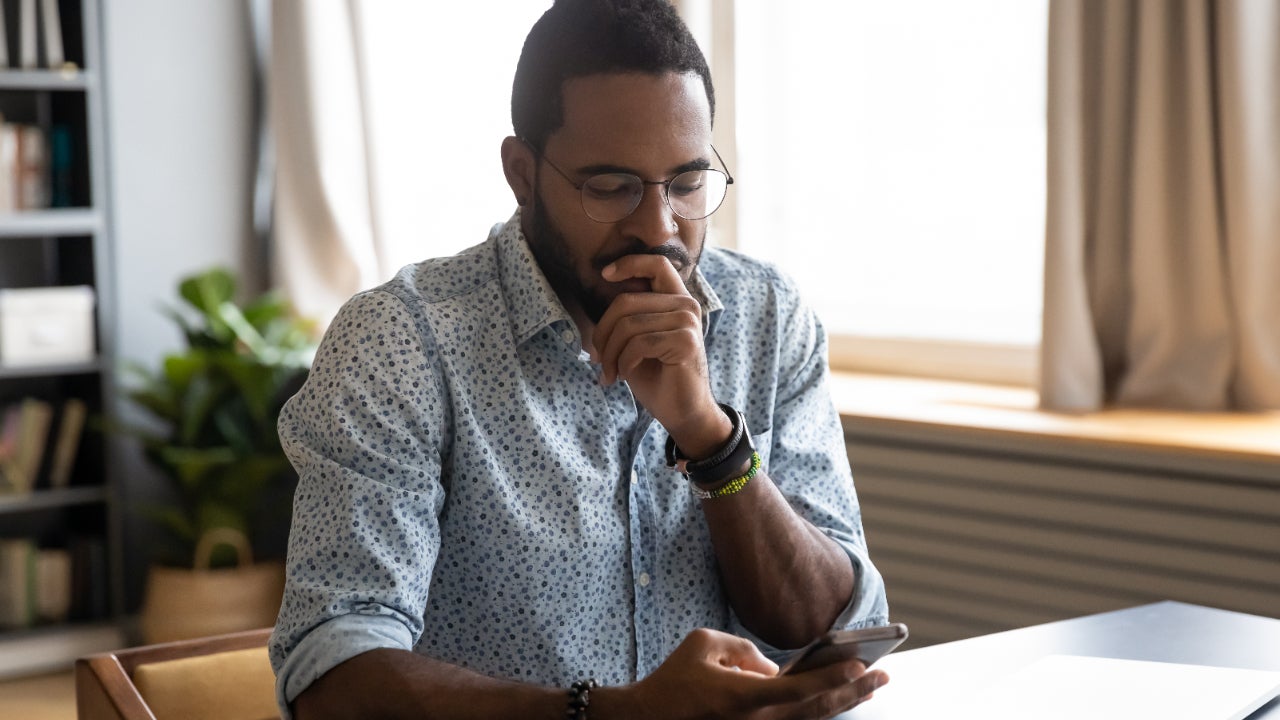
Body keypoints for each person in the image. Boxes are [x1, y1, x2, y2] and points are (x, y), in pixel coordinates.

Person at [269, 1, 890, 718]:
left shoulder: (768, 318)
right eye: (611, 187)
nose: (659, 228)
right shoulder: (401, 342)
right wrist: (614, 713)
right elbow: (332, 676)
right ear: (522, 173)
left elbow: (833, 626)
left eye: (687, 183)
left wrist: (711, 439)